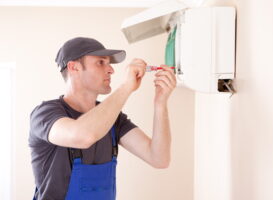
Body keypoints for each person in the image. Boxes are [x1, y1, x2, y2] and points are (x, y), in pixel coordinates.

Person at [28, 37, 177, 200]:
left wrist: (160, 103)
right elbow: (83, 136)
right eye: (100, 62)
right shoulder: (45, 114)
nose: (111, 70)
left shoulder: (112, 118)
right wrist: (126, 86)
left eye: (109, 63)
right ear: (74, 67)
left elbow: (159, 159)